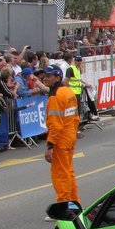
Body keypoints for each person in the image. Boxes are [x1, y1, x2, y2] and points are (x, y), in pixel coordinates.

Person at [42, 65, 80, 208]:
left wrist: (50, 145)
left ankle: (64, 206)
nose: (45, 78)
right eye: (45, 75)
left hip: (61, 139)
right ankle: (74, 204)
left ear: (57, 77)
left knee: (61, 174)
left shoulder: (55, 96)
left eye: (49, 76)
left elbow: (55, 124)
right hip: (70, 135)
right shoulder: (68, 92)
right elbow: (76, 117)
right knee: (69, 172)